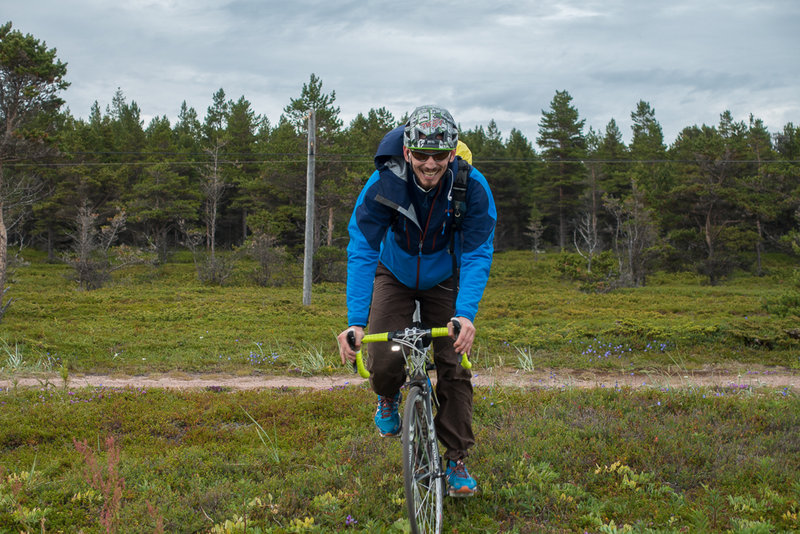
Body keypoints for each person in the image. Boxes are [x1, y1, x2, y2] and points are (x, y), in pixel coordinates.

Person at [337, 105, 496, 496]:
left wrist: (465, 314)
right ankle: (388, 396)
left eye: (440, 155)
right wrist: (356, 321)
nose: (430, 163)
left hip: (445, 276)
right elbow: (362, 248)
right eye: (421, 154)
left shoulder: (471, 187)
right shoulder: (382, 184)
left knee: (453, 363)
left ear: (452, 153)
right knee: (385, 354)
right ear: (407, 152)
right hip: (394, 272)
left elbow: (478, 252)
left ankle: (456, 458)